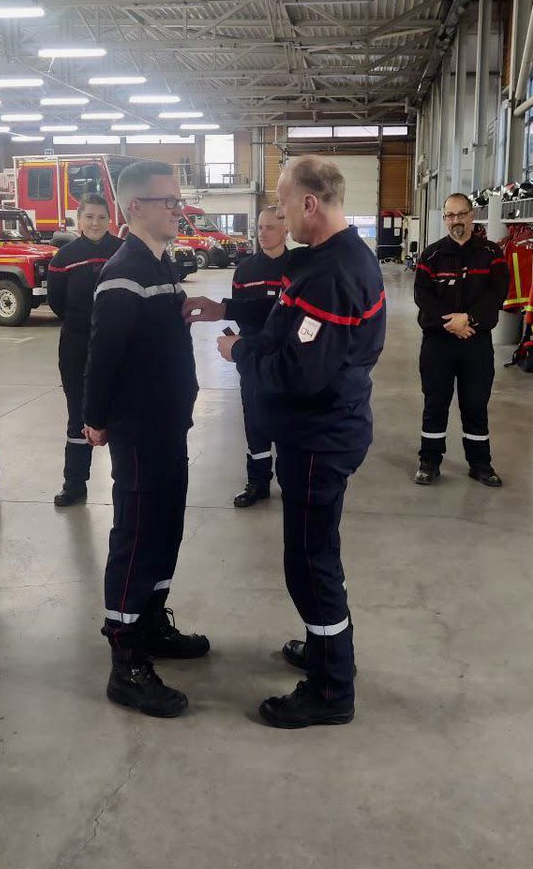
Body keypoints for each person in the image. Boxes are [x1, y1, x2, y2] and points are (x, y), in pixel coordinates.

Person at [184, 156, 386, 729]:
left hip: (320, 437)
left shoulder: (332, 273)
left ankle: (331, 689)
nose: (274, 211)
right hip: (324, 429)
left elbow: (300, 372)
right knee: (316, 552)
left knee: (309, 561)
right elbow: (281, 312)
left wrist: (236, 352)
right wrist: (225, 309)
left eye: (281, 199)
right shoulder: (328, 259)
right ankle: (325, 648)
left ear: (310, 204)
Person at [83, 160, 209, 720]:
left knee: (166, 527)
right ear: (135, 208)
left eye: (178, 201)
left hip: (168, 425)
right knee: (135, 535)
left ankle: (152, 623)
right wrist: (94, 417)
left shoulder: (161, 265)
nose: (177, 210)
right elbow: (101, 355)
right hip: (138, 429)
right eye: (168, 202)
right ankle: (126, 658)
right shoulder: (123, 272)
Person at [413, 192, 509, 488]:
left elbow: (497, 292)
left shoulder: (492, 254)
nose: (456, 220)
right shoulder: (430, 255)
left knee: (475, 405)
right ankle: (429, 461)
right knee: (435, 403)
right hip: (438, 343)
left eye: (461, 214)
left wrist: (469, 320)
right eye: (450, 216)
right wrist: (452, 322)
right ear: (445, 219)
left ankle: (480, 464)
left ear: (472, 215)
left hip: (476, 343)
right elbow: (422, 296)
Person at [47, 194, 122, 507]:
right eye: (89, 217)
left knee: (120, 414)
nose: (95, 223)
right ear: (79, 220)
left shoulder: (123, 251)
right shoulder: (64, 256)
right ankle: (75, 483)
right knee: (78, 414)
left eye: (101, 217)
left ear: (109, 220)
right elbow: (56, 302)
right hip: (77, 345)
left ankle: (126, 482)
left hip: (119, 344)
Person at [229, 205, 291, 508]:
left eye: (270, 228)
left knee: (290, 419)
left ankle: (292, 481)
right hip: (253, 356)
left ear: (285, 230)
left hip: (289, 357)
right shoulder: (245, 271)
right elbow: (241, 313)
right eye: (259, 228)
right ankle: (258, 481)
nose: (262, 234)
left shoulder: (300, 267)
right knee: (254, 420)